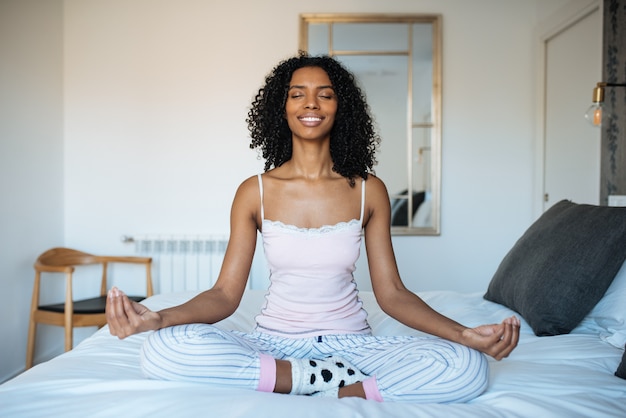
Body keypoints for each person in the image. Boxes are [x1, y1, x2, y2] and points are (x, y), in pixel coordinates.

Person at [106, 53, 520, 403]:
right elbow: (223, 295)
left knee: (466, 367)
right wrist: (159, 318)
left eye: (325, 94)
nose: (311, 104)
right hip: (274, 343)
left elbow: (392, 294)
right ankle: (311, 379)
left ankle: (329, 389)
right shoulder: (255, 192)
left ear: (341, 108)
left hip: (351, 343)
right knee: (161, 350)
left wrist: (463, 334)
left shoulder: (367, 190)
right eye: (297, 94)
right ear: (281, 108)